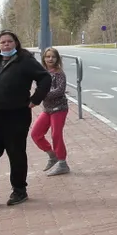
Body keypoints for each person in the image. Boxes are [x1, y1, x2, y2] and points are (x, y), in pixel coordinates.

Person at [0, 30, 51, 209]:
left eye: (9, 42)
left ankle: (19, 190)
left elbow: (45, 78)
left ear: (16, 43)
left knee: (15, 153)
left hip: (15, 115)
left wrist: (35, 100)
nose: (6, 45)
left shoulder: (25, 61)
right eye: (2, 42)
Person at [31, 47, 71, 176]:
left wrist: (41, 94)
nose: (50, 59)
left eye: (53, 56)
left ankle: (63, 163)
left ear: (57, 59)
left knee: (56, 134)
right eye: (48, 56)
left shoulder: (59, 73)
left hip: (59, 108)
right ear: (44, 58)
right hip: (47, 109)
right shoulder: (42, 73)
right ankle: (52, 155)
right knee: (36, 133)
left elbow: (59, 90)